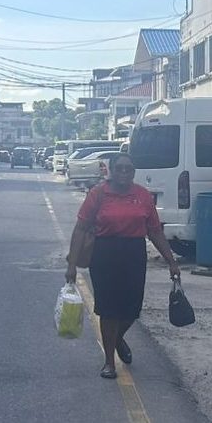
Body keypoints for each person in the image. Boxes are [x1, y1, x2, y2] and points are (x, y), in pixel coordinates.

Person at [66, 152, 180, 380]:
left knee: (132, 309)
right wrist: (72, 265)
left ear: (134, 172)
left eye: (129, 169)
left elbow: (154, 231)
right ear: (111, 170)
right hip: (104, 254)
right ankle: (109, 362)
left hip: (133, 254)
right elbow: (80, 229)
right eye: (120, 168)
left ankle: (117, 338)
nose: (124, 173)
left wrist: (171, 261)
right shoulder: (98, 194)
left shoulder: (143, 195)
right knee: (108, 309)